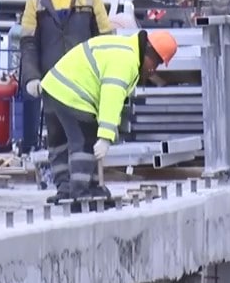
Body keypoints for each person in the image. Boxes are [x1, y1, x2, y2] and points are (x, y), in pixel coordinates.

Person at [39, 30, 179, 202]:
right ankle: (80, 193)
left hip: (54, 87)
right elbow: (111, 97)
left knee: (59, 144)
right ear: (149, 52)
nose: (153, 71)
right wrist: (106, 136)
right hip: (73, 94)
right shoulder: (127, 61)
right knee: (85, 143)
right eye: (155, 64)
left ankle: (66, 189)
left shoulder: (124, 49)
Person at [19, 0, 112, 158]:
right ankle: (63, 186)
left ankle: (87, 184)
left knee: (87, 136)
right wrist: (31, 77)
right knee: (57, 139)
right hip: (53, 83)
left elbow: (105, 39)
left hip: (85, 83)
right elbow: (28, 44)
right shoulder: (34, 3)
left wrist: (104, 74)